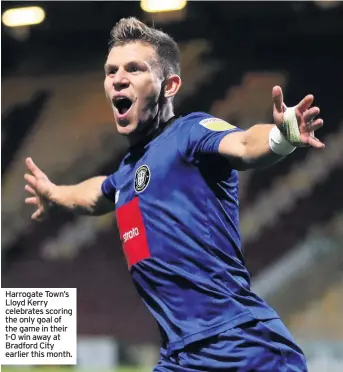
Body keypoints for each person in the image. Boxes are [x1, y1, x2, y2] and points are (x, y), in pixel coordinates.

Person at [24, 17, 324, 371]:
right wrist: (53, 192)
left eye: (134, 69)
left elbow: (244, 144)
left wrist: (281, 137)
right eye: (111, 71)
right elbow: (94, 195)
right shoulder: (127, 173)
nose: (118, 78)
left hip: (243, 345)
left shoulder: (190, 132)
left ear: (169, 85)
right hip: (181, 357)